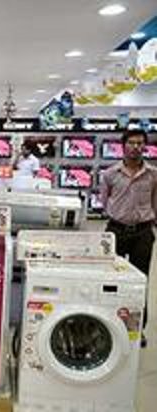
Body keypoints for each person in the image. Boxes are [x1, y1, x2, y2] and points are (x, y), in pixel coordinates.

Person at [101, 129, 157, 348]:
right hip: (116, 231)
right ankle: (109, 323)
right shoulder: (110, 174)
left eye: (140, 143)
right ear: (123, 146)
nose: (136, 147)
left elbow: (155, 202)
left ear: (145, 146)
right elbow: (105, 201)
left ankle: (136, 328)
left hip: (143, 233)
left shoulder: (153, 174)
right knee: (110, 280)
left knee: (140, 281)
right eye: (132, 142)